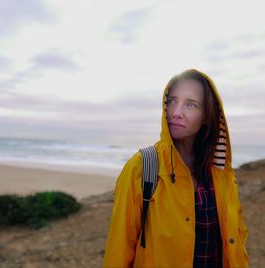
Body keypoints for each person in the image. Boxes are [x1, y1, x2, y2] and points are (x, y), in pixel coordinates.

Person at [103, 69, 249, 268]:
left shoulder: (220, 172)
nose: (176, 112)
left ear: (207, 115)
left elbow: (235, 241)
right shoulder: (142, 166)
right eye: (172, 101)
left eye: (191, 104)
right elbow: (118, 252)